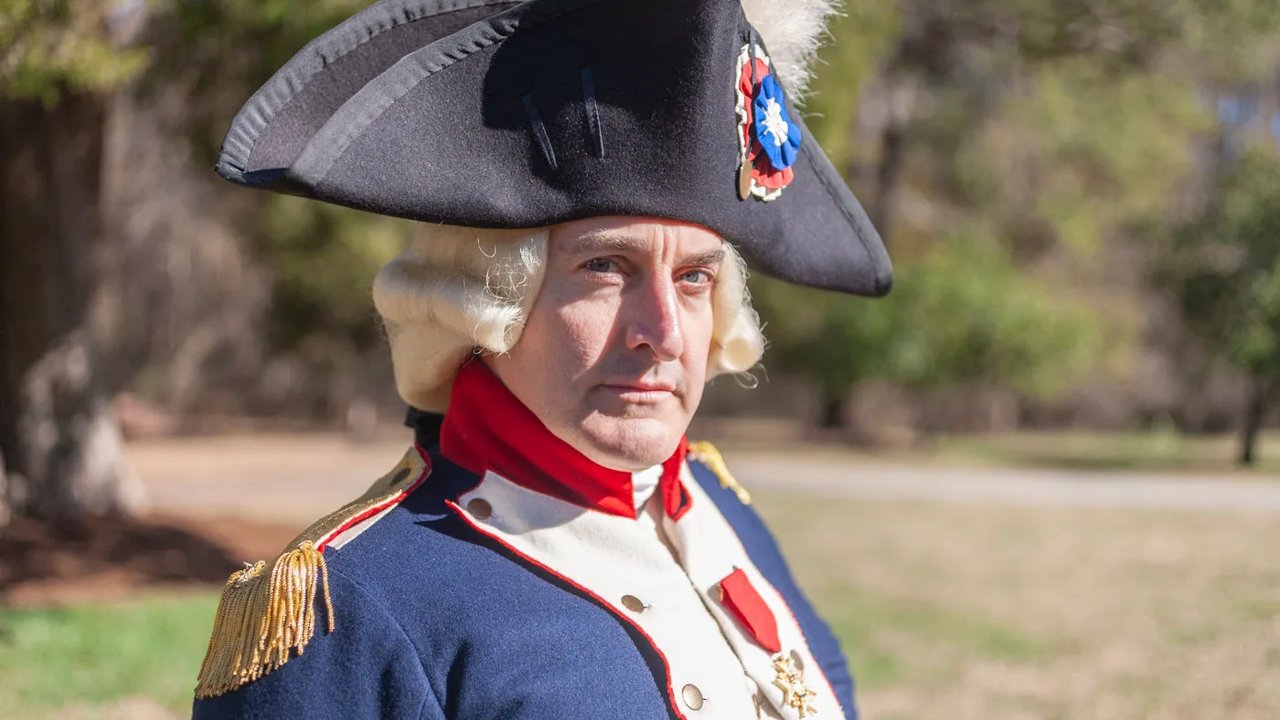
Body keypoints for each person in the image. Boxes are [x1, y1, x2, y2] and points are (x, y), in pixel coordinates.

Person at [192, 0, 892, 718]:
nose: (663, 333)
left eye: (693, 279)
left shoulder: (722, 512)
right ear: (486, 301)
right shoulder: (350, 611)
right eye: (606, 267)